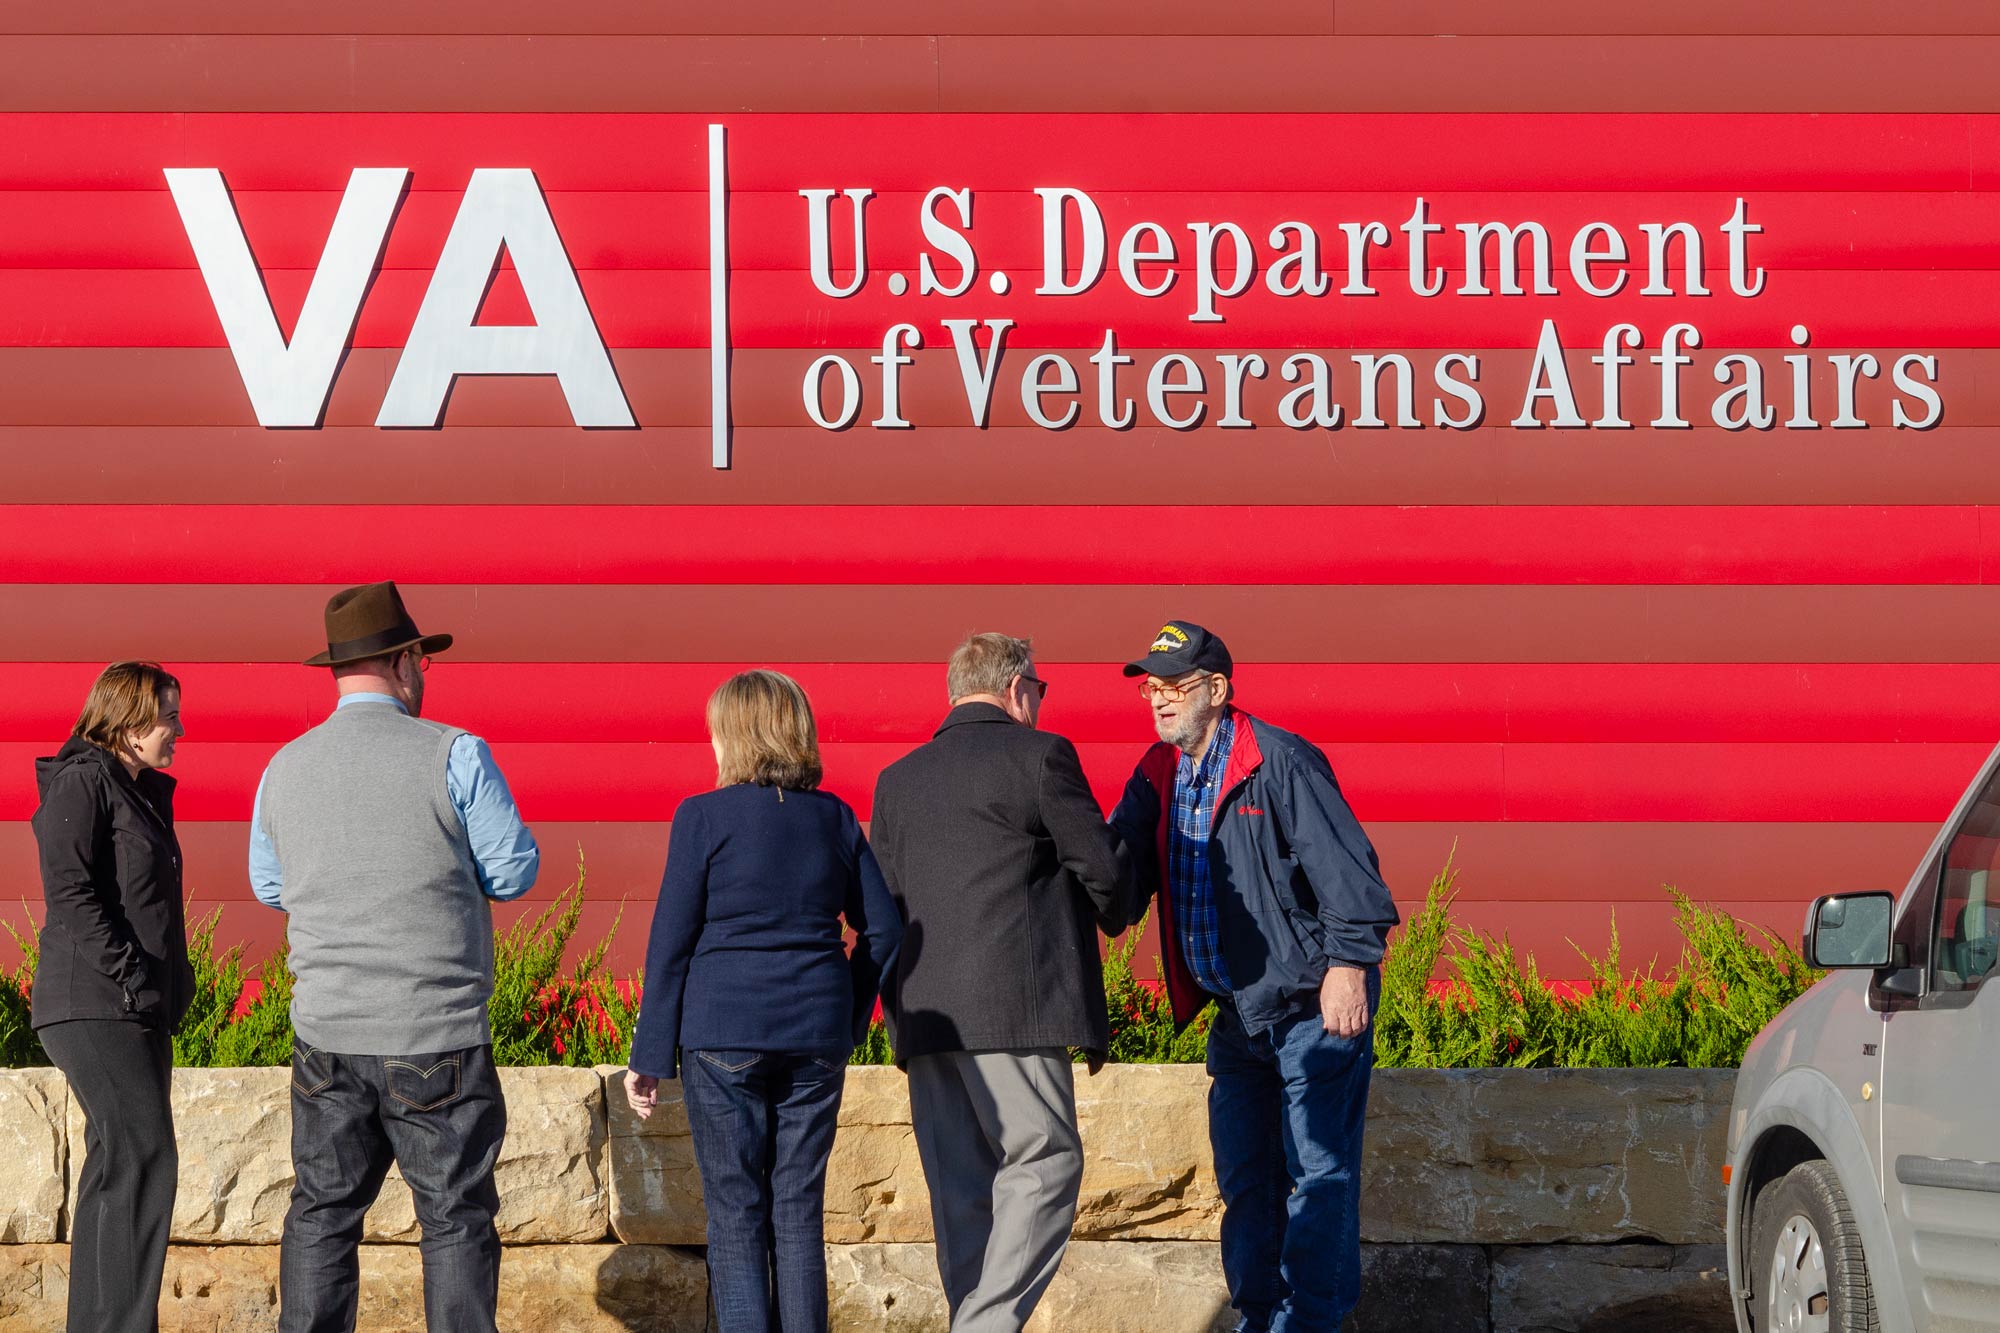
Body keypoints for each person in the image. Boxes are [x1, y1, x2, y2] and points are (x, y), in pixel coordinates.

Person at [249, 581, 539, 1333]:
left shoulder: (285, 765)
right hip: (434, 1030)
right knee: (454, 1218)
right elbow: (513, 872)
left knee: (322, 1211)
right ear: (405, 660)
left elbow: (270, 884)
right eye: (422, 661)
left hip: (327, 1034)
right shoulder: (454, 753)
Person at [1109, 621, 1400, 1333]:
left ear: (1218, 688)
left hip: (1310, 1008)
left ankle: (1311, 1322)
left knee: (1318, 1176)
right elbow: (1116, 883)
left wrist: (1350, 967)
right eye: (1152, 686)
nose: (1159, 699)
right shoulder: (1157, 772)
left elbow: (1353, 880)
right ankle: (1259, 1315)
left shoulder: (1279, 762)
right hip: (1236, 1015)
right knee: (1247, 1181)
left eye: (1175, 685)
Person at [623, 670, 902, 1333]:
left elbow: (671, 941)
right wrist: (848, 1017)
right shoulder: (833, 816)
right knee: (798, 1210)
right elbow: (884, 929)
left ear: (736, 734)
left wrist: (649, 1054)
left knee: (737, 1209)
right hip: (815, 1033)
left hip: (723, 1032)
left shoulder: (702, 816)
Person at [868, 632, 1131, 1333]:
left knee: (962, 1192)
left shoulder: (898, 778)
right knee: (1045, 1160)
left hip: (923, 1017)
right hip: (1015, 1007)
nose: (1040, 703)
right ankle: (981, 1327)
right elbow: (1103, 871)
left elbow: (881, 906)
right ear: (1016, 688)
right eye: (1039, 690)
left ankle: (973, 1318)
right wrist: (1124, 892)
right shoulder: (1040, 755)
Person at [31, 661, 193, 1333]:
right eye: (166, 716)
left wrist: (165, 989)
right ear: (124, 720)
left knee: (119, 1162)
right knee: (145, 1154)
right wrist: (131, 975)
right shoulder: (84, 779)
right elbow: (68, 891)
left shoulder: (134, 789)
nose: (176, 730)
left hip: (129, 1006)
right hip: (95, 1003)